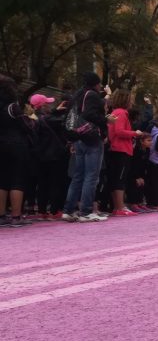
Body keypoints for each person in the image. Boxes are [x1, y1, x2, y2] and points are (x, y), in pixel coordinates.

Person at [62, 71, 114, 223]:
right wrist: (106, 120)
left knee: (78, 175)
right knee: (91, 176)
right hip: (91, 137)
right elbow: (90, 115)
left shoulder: (77, 95)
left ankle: (69, 210)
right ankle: (86, 211)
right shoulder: (92, 95)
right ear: (96, 84)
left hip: (78, 138)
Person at [0, 75, 35, 227]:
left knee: (2, 181)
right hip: (16, 145)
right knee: (17, 180)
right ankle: (16, 216)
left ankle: (1, 215)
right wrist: (30, 119)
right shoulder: (12, 106)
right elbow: (26, 127)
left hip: (1, 145)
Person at [31, 93, 69, 221]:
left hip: (39, 155)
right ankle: (54, 210)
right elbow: (63, 123)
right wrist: (57, 112)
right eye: (47, 103)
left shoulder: (31, 119)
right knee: (55, 182)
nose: (50, 105)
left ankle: (42, 210)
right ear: (42, 106)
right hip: (54, 155)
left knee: (42, 183)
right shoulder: (49, 119)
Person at [107, 90, 143, 217]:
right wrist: (135, 133)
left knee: (116, 178)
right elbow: (119, 131)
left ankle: (117, 206)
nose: (132, 102)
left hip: (117, 149)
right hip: (121, 149)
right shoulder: (121, 113)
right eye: (130, 99)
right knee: (120, 179)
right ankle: (120, 207)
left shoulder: (116, 112)